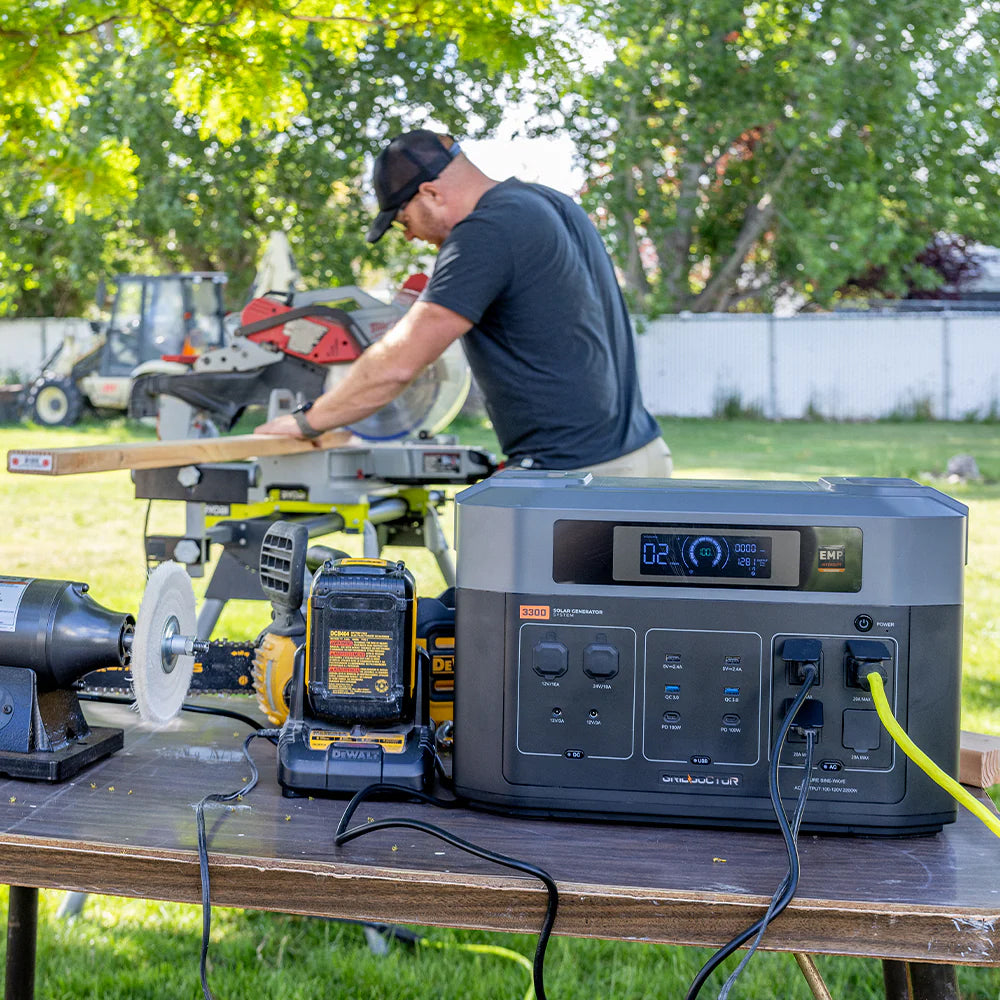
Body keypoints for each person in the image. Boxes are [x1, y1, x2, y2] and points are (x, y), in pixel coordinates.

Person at [255, 128, 672, 477]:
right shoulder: (549, 202)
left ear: (431, 194)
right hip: (642, 455)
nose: (411, 236)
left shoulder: (484, 231)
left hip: (579, 474)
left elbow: (400, 363)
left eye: (403, 221)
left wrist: (306, 421)